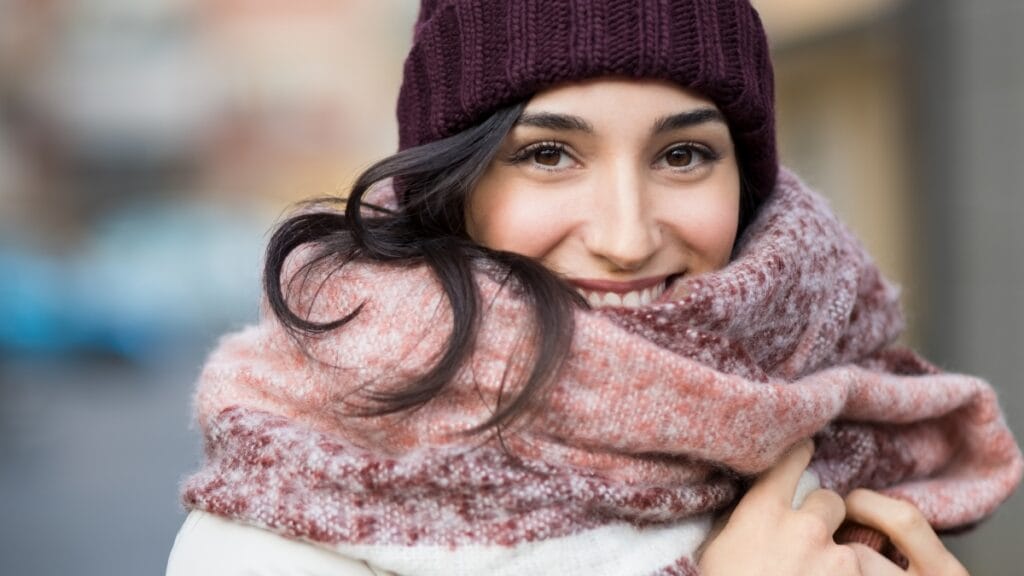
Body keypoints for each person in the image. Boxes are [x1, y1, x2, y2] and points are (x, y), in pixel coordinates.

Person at [167, 1, 1022, 575]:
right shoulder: (299, 503)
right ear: (453, 185)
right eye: (548, 154)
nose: (626, 235)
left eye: (683, 154)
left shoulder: (842, 426)